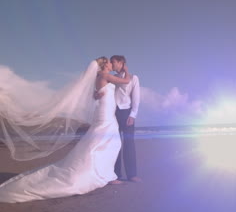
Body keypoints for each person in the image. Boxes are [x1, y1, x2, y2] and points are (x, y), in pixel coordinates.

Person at [0, 57, 131, 203]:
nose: (110, 64)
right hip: (106, 113)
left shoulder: (99, 77)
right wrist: (125, 70)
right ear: (104, 65)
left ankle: (107, 174)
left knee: (105, 141)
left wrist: (96, 94)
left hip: (104, 110)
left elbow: (96, 94)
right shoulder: (105, 75)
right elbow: (126, 81)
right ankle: (103, 175)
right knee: (109, 141)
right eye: (108, 62)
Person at [108, 55, 141, 183]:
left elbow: (136, 97)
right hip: (113, 113)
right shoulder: (112, 78)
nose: (112, 64)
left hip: (127, 112)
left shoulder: (133, 78)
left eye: (113, 62)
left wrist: (133, 114)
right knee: (115, 144)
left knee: (129, 144)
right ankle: (116, 175)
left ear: (121, 62)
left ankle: (132, 175)